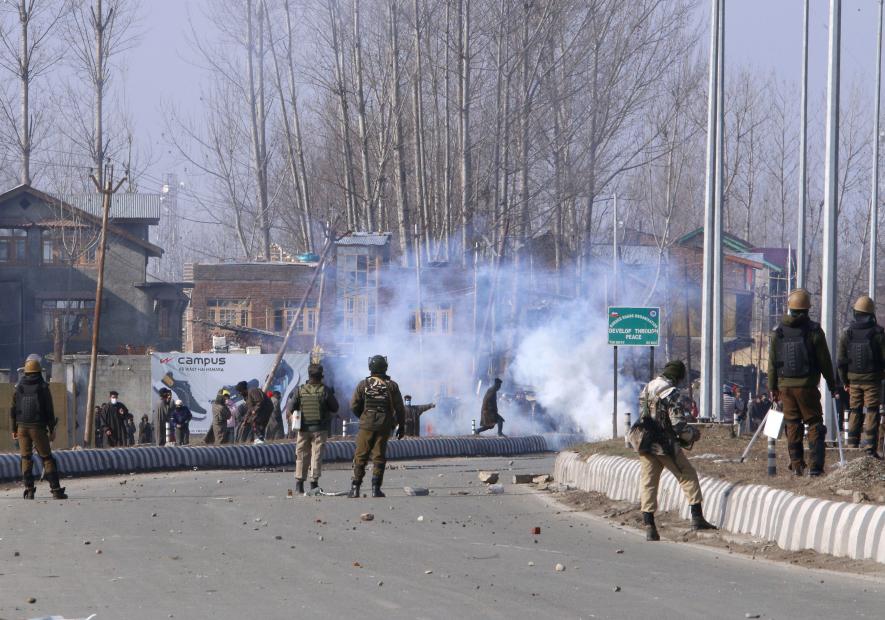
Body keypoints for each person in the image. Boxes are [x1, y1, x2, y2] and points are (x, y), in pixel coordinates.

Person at [628, 360, 715, 541]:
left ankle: (649, 524)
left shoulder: (647, 388)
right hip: (664, 444)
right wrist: (692, 435)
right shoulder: (671, 392)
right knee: (687, 475)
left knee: (648, 482)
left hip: (644, 442)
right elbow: (678, 425)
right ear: (677, 376)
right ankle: (697, 517)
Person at [768, 288, 838, 477]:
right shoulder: (814, 331)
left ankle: (797, 464)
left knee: (792, 424)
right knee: (814, 423)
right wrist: (833, 384)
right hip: (807, 386)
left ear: (790, 308)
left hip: (785, 388)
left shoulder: (778, 332)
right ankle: (816, 468)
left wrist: (772, 387)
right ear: (807, 309)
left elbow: (772, 363)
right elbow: (825, 360)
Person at [348, 355, 405, 498]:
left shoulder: (363, 384)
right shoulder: (392, 385)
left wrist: (363, 416)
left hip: (366, 424)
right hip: (384, 424)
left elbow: (354, 405)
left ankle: (355, 488)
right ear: (385, 367)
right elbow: (400, 408)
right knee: (379, 456)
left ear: (370, 368)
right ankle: (375, 489)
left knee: (360, 455)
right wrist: (401, 426)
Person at [10, 357, 67, 499]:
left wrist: (13, 430)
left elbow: (12, 410)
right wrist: (52, 429)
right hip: (38, 428)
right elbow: (49, 410)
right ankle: (56, 490)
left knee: (25, 458)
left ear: (26, 372)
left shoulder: (18, 387)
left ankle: (29, 490)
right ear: (39, 371)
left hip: (22, 428)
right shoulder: (43, 387)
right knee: (47, 458)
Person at [837, 295, 885, 458]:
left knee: (855, 411)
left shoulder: (847, 334)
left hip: (853, 380)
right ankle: (870, 447)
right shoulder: (879, 333)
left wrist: (845, 381)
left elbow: (841, 361)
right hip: (873, 380)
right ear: (871, 313)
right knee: (872, 411)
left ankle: (852, 445)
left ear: (855, 312)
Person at [288, 364, 339, 494]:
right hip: (319, 429)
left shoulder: (300, 390)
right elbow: (335, 407)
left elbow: (291, 407)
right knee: (316, 455)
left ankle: (299, 484)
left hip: (303, 429)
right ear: (321, 376)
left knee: (301, 455)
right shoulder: (325, 390)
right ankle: (314, 484)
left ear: (309, 375)